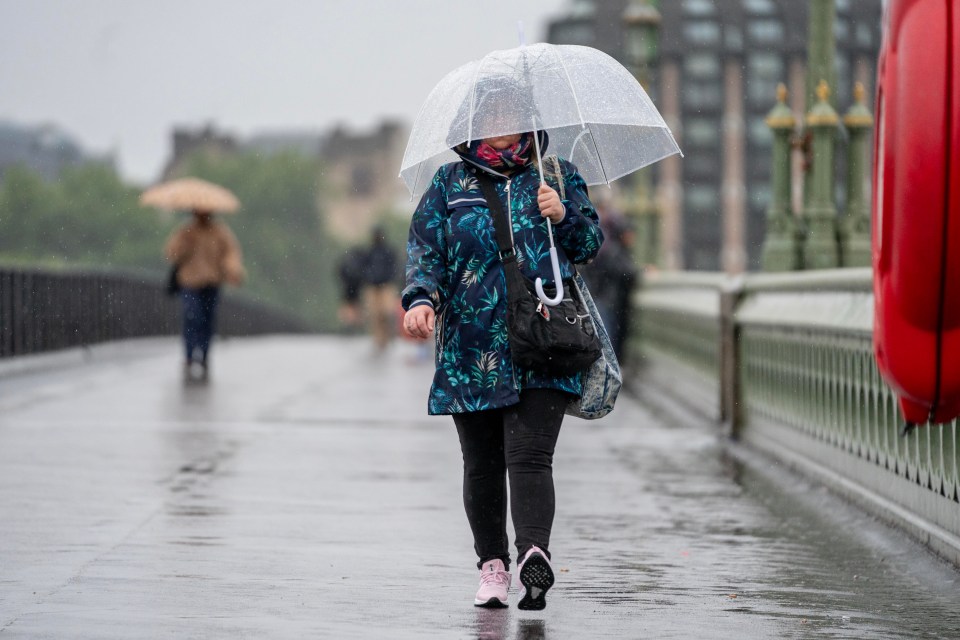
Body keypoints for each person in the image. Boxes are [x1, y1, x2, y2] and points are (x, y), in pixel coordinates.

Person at [401, 128, 603, 610]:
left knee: (531, 455)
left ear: (529, 121)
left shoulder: (557, 176)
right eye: (489, 114)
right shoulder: (449, 184)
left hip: (543, 340)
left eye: (509, 112)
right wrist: (421, 300)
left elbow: (591, 243)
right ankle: (492, 566)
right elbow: (426, 252)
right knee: (483, 462)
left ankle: (534, 551)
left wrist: (564, 215)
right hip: (472, 347)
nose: (499, 122)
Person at [164, 208, 244, 381]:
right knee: (192, 316)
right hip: (189, 283)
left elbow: (231, 254)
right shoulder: (186, 231)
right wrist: (186, 245)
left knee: (208, 319)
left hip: (211, 283)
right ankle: (190, 354)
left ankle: (205, 354)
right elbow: (171, 254)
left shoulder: (220, 232)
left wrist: (233, 271)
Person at [581, 209, 639, 363]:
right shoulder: (613, 251)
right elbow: (626, 272)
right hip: (609, 301)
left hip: (608, 300)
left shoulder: (610, 249)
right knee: (609, 338)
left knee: (610, 336)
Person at [362, 225, 399, 354]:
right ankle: (378, 339)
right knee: (375, 315)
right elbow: (364, 268)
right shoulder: (369, 252)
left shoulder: (388, 251)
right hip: (373, 287)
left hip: (386, 286)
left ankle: (388, 336)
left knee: (386, 313)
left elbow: (394, 267)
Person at [337, 245, 366, 330]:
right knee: (355, 306)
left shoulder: (346, 263)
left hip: (348, 288)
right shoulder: (359, 264)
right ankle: (354, 323)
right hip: (355, 289)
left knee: (348, 306)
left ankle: (348, 323)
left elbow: (340, 273)